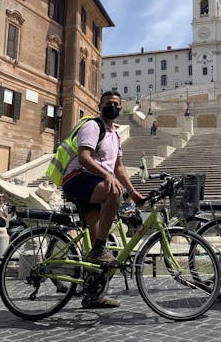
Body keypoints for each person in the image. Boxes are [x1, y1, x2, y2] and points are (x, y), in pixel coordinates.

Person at [62, 91, 143, 308]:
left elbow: (119, 168)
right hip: (78, 178)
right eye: (109, 103)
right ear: (100, 105)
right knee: (114, 193)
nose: (113, 107)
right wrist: (107, 176)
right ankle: (99, 247)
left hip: (95, 183)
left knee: (98, 253)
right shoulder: (93, 126)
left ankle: (94, 296)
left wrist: (133, 192)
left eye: (117, 104)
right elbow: (84, 157)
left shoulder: (115, 135)